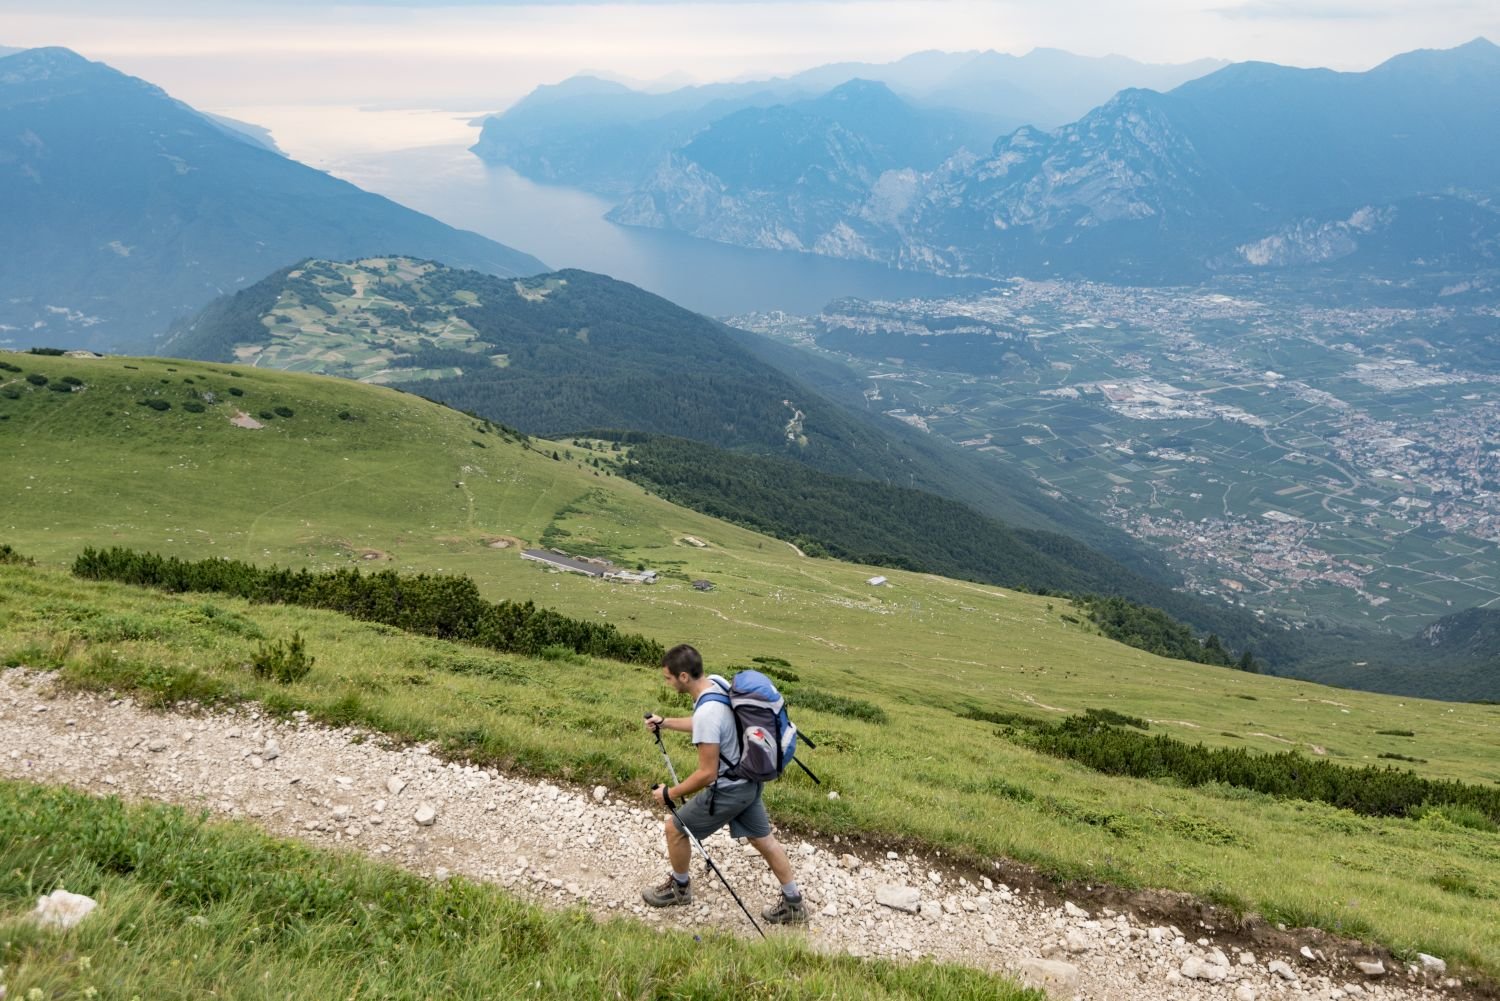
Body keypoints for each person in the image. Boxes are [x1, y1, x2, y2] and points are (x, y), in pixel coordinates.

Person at [642, 643, 806, 924]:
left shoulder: (707, 713)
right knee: (763, 840)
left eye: (668, 678)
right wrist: (665, 723)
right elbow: (706, 723)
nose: (666, 683)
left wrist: (670, 793)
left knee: (675, 829)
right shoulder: (716, 684)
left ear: (684, 677)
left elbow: (707, 774)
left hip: (730, 790)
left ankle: (679, 889)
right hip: (749, 781)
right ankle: (794, 904)